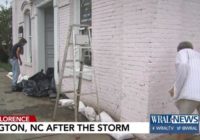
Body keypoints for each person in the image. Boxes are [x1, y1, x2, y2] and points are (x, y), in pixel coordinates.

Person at [169, 41, 200, 140]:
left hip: (190, 95)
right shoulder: (198, 55)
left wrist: (175, 89)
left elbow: (182, 66)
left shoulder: (182, 53)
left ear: (179, 49)